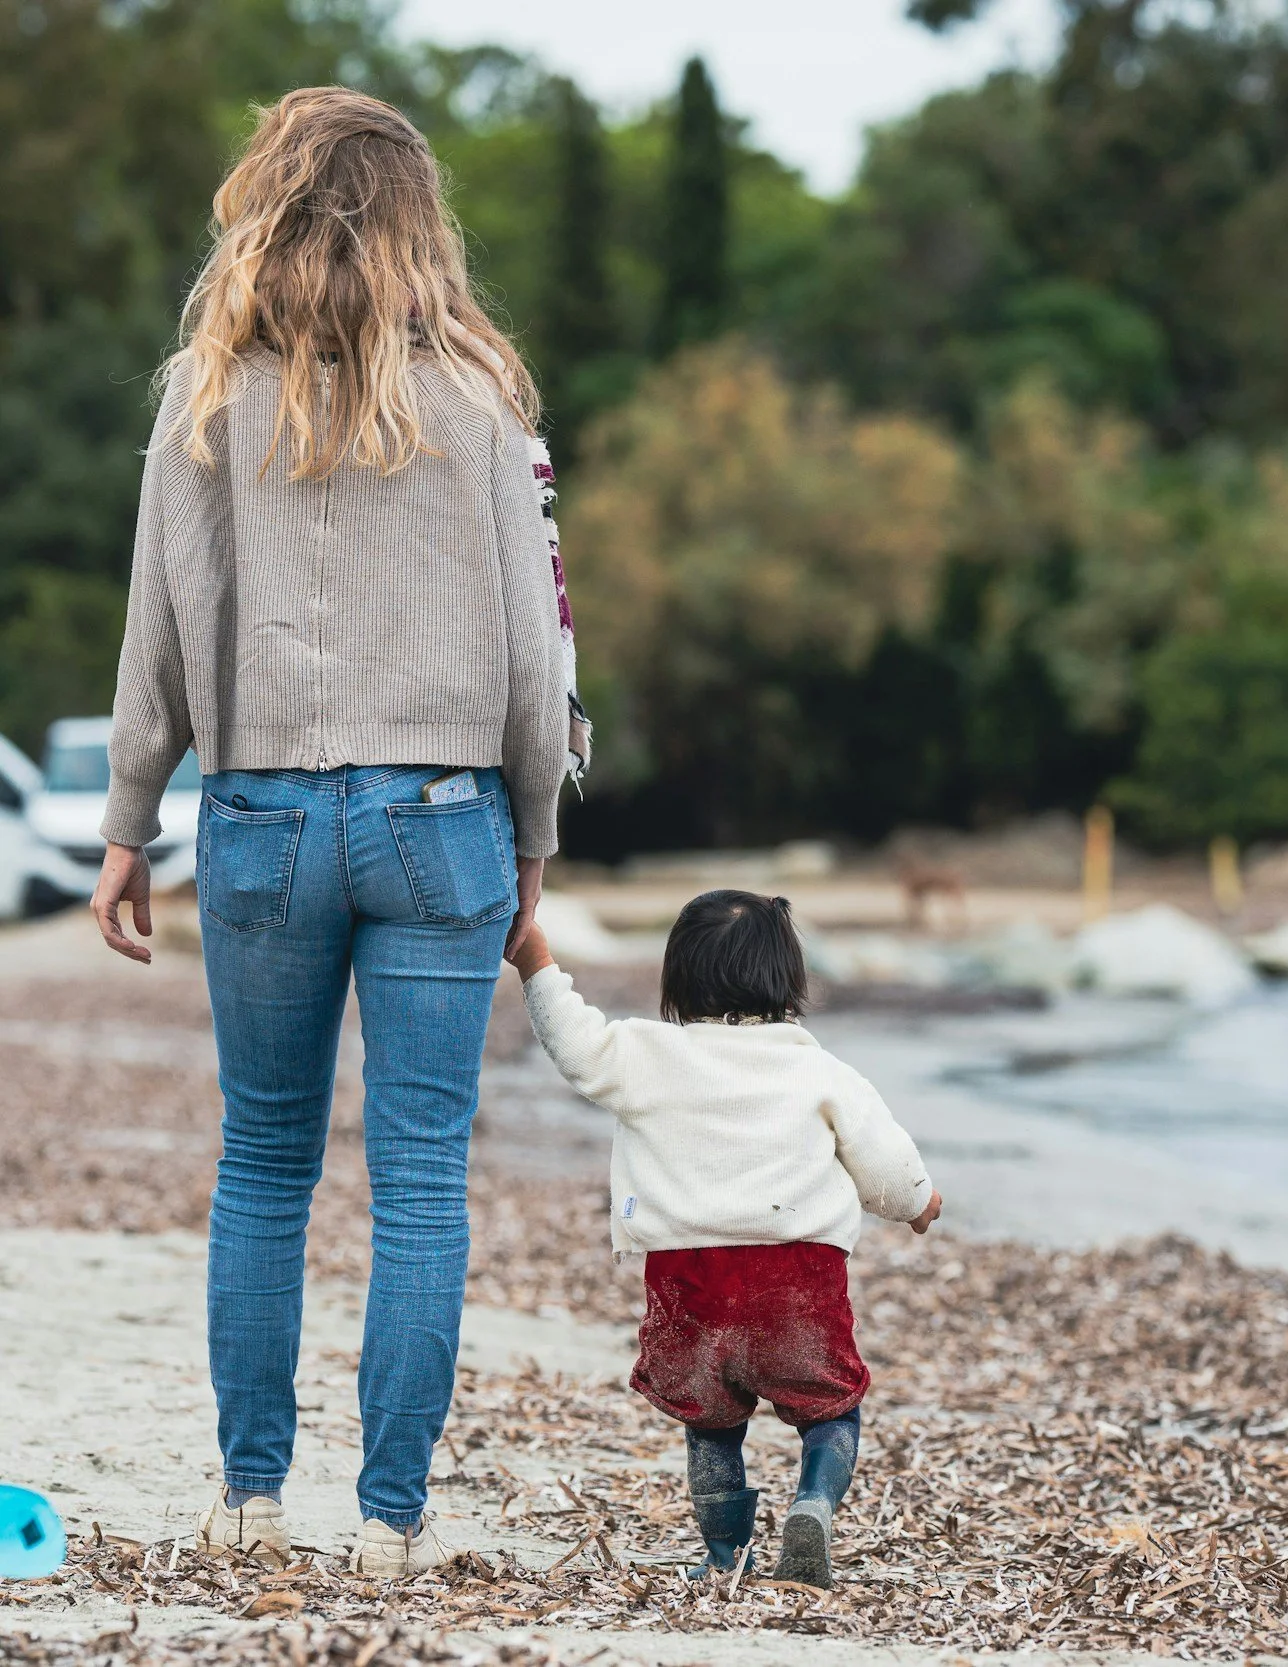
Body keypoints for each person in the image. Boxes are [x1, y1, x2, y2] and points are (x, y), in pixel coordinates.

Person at [89, 87, 585, 1577]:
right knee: (423, 1175)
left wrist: (128, 816)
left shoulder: (203, 392)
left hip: (260, 812)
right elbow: (537, 652)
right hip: (444, 818)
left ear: (268, 203)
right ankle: (385, 1519)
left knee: (264, 1159)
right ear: (419, 219)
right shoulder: (488, 406)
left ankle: (248, 1495)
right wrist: (537, 837)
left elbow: (158, 628)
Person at [505, 891, 941, 1585]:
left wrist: (537, 962)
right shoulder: (819, 1069)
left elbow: (575, 1044)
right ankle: (814, 1503)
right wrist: (919, 1202)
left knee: (709, 1422)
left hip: (688, 1286)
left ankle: (723, 1555)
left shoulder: (646, 1054)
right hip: (797, 1283)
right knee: (832, 1409)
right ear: (786, 978)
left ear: (678, 980)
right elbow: (883, 1163)